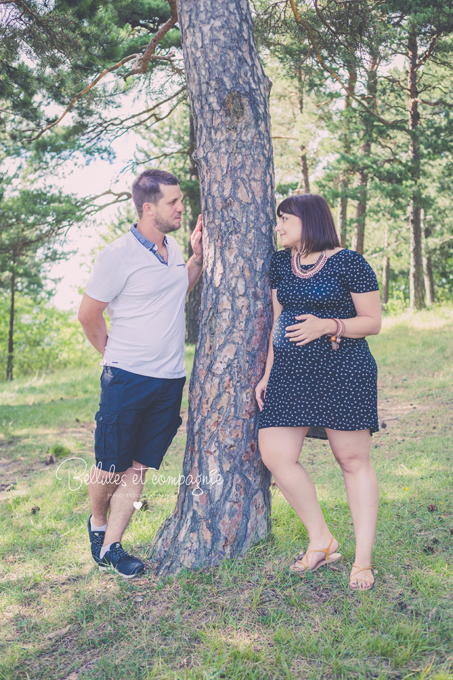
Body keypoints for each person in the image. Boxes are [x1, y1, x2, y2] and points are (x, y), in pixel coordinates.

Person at [78, 168, 203, 578]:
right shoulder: (117, 255)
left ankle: (112, 547)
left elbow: (176, 290)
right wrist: (113, 354)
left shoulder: (175, 248)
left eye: (181, 200)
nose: (182, 207)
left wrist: (198, 259)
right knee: (110, 464)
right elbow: (88, 314)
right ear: (148, 208)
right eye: (173, 202)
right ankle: (97, 524)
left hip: (169, 379)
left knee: (138, 466)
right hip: (126, 378)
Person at [255, 193, 381, 591]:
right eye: (279, 221)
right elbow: (278, 320)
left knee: (351, 459)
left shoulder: (350, 262)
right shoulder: (280, 263)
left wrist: (329, 325)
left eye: (285, 219)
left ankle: (362, 560)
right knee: (275, 454)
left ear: (309, 220)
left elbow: (373, 321)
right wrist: (266, 374)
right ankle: (322, 539)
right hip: (290, 375)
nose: (278, 227)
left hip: (343, 370)